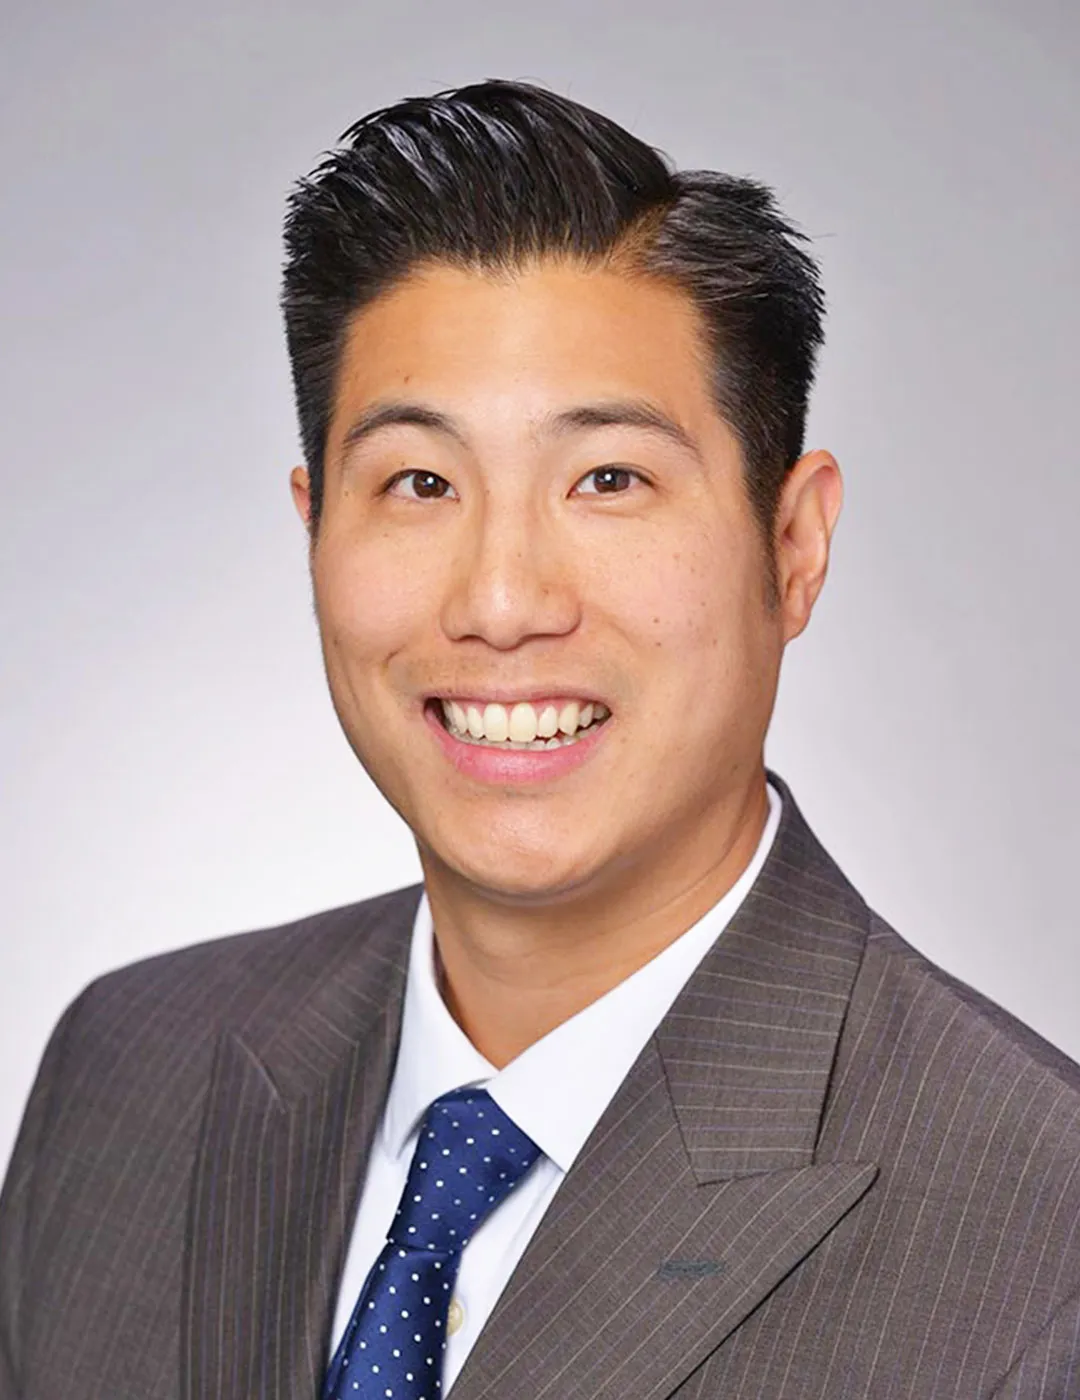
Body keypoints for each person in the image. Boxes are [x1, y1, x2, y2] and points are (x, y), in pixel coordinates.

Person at [2, 78, 1078, 1400]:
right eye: (420, 483)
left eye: (608, 479)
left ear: (794, 547)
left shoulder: (1040, 1244)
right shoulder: (126, 1076)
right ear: (312, 529)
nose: (503, 601)